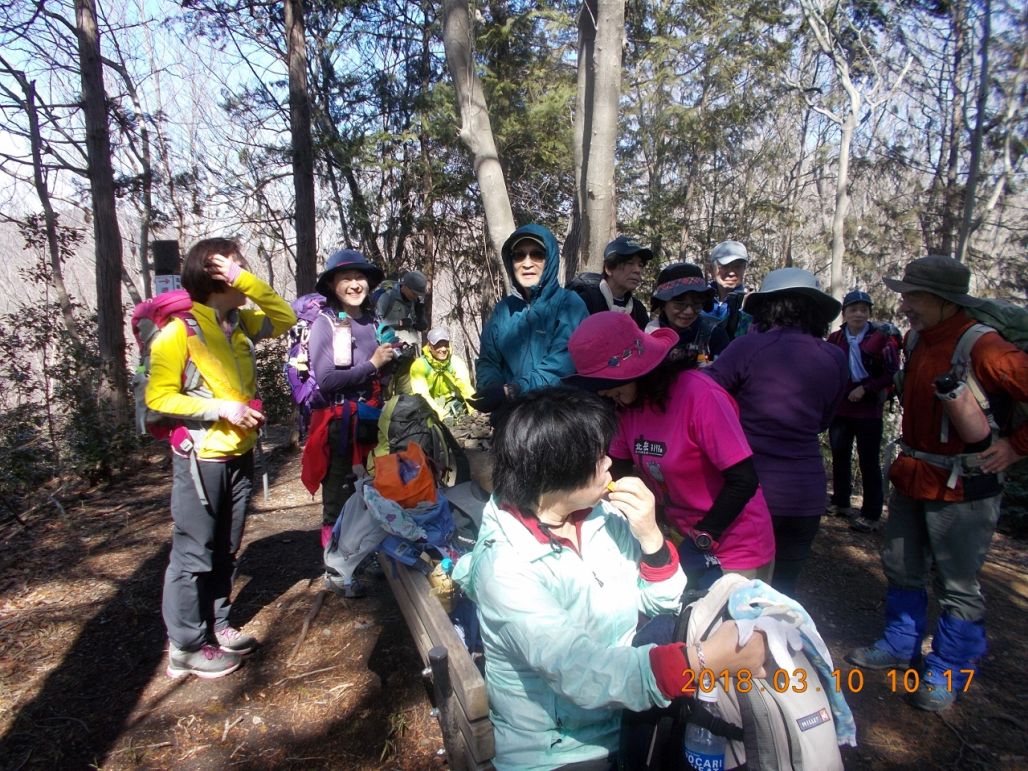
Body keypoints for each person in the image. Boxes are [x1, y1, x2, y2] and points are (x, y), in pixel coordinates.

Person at [452, 387, 768, 770]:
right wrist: (703, 661)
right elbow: (581, 673)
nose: (609, 464)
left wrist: (651, 537)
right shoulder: (506, 567)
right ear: (557, 473)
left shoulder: (600, 516)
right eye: (596, 457)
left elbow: (662, 603)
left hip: (628, 716)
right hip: (560, 749)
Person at [847, 255, 1028, 713]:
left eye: (913, 295)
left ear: (945, 301)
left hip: (965, 485)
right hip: (914, 475)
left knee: (957, 583)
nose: (904, 303)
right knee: (901, 565)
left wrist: (1015, 447)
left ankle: (949, 668)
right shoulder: (917, 338)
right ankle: (899, 645)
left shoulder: (984, 347)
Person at [146, 237, 296, 678]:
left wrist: (245, 279)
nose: (242, 271)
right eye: (235, 264)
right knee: (194, 552)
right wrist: (220, 409)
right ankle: (186, 647)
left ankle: (218, 624)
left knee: (227, 548)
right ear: (211, 273)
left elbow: (283, 317)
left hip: (240, 453)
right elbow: (158, 396)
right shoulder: (180, 330)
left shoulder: (241, 323)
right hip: (201, 458)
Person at [568, 312, 774, 578]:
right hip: (680, 534)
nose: (603, 392)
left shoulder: (699, 396)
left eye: (609, 383)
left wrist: (704, 537)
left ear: (640, 371)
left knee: (726, 618)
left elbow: (743, 479)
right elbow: (616, 471)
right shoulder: (626, 407)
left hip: (734, 542)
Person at [705, 268, 847, 596]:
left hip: (750, 492)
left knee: (739, 594)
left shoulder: (748, 347)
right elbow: (825, 419)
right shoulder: (835, 356)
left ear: (768, 307)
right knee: (782, 594)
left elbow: (706, 398)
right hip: (806, 495)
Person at [301, 249, 396, 598]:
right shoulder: (325, 324)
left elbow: (376, 369)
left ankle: (364, 558)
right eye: (346, 278)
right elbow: (327, 380)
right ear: (331, 284)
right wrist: (373, 363)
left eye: (360, 278)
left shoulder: (371, 321)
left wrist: (390, 359)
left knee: (371, 492)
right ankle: (336, 569)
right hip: (340, 424)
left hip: (371, 420)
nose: (355, 284)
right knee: (339, 497)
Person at [471, 224, 588, 415]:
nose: (527, 263)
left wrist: (513, 390)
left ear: (549, 259)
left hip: (559, 418)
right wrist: (492, 387)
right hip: (511, 417)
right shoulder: (503, 310)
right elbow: (488, 359)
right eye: (519, 255)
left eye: (537, 254)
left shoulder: (569, 304)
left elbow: (562, 366)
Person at [826, 290, 900, 532]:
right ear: (844, 313)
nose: (858, 314)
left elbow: (891, 373)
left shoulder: (881, 339)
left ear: (869, 313)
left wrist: (867, 389)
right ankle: (841, 501)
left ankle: (871, 512)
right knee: (840, 454)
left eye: (863, 310)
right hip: (841, 405)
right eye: (853, 309)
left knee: (868, 460)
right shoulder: (836, 338)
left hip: (869, 408)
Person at [646, 262, 730, 360]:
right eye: (680, 304)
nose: (689, 311)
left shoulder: (714, 336)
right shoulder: (647, 336)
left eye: (696, 303)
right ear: (663, 304)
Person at [575, 235, 652, 329]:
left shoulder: (637, 310)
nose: (637, 270)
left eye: (640, 265)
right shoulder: (584, 299)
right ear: (609, 268)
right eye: (630, 263)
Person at [408, 326, 476, 420]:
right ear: (430, 347)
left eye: (446, 344)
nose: (443, 349)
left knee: (459, 418)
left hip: (451, 402)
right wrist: (442, 415)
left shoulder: (456, 363)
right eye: (438, 345)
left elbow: (466, 389)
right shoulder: (419, 366)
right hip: (428, 405)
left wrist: (475, 410)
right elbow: (422, 396)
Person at [707, 239, 752, 339]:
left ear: (744, 269)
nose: (731, 272)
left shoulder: (750, 305)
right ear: (711, 269)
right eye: (724, 266)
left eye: (737, 266)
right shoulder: (699, 300)